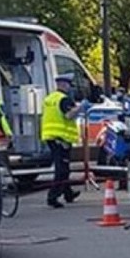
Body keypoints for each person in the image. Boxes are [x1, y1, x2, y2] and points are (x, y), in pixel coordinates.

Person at [41, 73, 89, 208]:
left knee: (64, 166)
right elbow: (69, 115)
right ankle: (53, 196)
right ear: (64, 84)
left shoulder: (50, 98)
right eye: (69, 85)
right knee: (62, 169)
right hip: (61, 138)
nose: (70, 88)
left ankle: (68, 193)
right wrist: (80, 107)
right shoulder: (64, 99)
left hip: (51, 136)